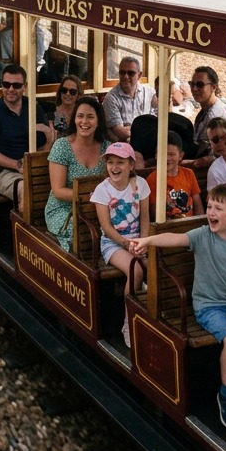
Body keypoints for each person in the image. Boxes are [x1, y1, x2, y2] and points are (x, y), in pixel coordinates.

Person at [130, 183, 226, 431]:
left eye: (218, 208)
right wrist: (149, 239)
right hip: (209, 306)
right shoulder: (204, 235)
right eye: (211, 206)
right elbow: (175, 238)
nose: (211, 212)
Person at [90, 142, 149, 344]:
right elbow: (106, 227)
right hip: (113, 244)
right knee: (136, 270)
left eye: (120, 162)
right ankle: (128, 322)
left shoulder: (140, 184)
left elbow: (145, 219)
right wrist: (126, 244)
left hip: (138, 240)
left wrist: (144, 242)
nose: (115, 167)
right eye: (111, 162)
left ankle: (153, 321)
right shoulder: (102, 191)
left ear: (131, 165)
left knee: (160, 266)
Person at [0, 64, 52, 210]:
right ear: (2, 86)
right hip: (6, 173)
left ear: (24, 86)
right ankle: (25, 230)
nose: (11, 89)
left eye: (16, 85)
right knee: (27, 190)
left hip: (34, 167)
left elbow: (44, 145)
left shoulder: (33, 108)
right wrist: (17, 165)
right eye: (6, 84)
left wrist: (49, 138)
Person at [44, 95, 108, 249]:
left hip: (99, 208)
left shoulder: (107, 148)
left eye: (90, 117)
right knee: (84, 229)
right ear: (74, 119)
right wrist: (92, 198)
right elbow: (58, 191)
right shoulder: (62, 146)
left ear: (98, 121)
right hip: (64, 209)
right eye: (80, 116)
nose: (84, 122)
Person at [185, 66, 226, 167]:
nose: (194, 89)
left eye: (200, 85)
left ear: (214, 87)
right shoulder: (208, 109)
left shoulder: (215, 116)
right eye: (192, 84)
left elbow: (220, 154)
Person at [145, 132, 201, 220]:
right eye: (162, 153)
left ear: (181, 155)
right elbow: (153, 215)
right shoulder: (152, 179)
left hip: (190, 226)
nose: (167, 158)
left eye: (171, 154)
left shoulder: (189, 174)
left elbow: (198, 207)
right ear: (156, 155)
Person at [103, 55, 154, 141]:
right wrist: (147, 130)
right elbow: (121, 133)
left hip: (148, 140)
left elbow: (158, 123)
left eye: (131, 73)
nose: (126, 76)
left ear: (139, 75)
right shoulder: (111, 98)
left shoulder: (150, 93)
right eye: (122, 72)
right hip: (122, 146)